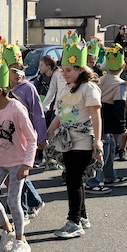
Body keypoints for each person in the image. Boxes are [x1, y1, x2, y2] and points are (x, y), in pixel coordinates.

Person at [46, 32, 102, 238]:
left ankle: (74, 222)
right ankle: (82, 216)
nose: (64, 74)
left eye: (68, 70)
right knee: (74, 179)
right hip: (66, 141)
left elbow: (96, 116)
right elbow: (60, 115)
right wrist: (47, 133)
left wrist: (98, 140)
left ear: (80, 69)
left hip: (83, 140)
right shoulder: (66, 89)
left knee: (73, 179)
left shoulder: (89, 88)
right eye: (63, 70)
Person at [0, 57, 37, 252]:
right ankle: (7, 230)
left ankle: (21, 241)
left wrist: (26, 164)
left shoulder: (16, 108)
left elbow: (32, 138)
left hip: (17, 163)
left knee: (13, 201)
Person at [5, 45, 46, 218]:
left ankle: (21, 207)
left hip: (24, 138)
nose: (17, 73)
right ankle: (33, 201)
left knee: (18, 172)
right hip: (7, 138)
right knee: (13, 172)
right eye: (12, 69)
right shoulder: (2, 88)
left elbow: (38, 113)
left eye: (19, 69)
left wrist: (41, 137)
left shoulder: (28, 88)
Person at [87, 44, 127, 193]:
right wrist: (122, 127)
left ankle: (110, 175)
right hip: (110, 120)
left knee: (109, 148)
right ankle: (94, 181)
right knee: (102, 151)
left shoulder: (100, 79)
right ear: (123, 66)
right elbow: (120, 106)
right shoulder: (121, 85)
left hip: (98, 118)